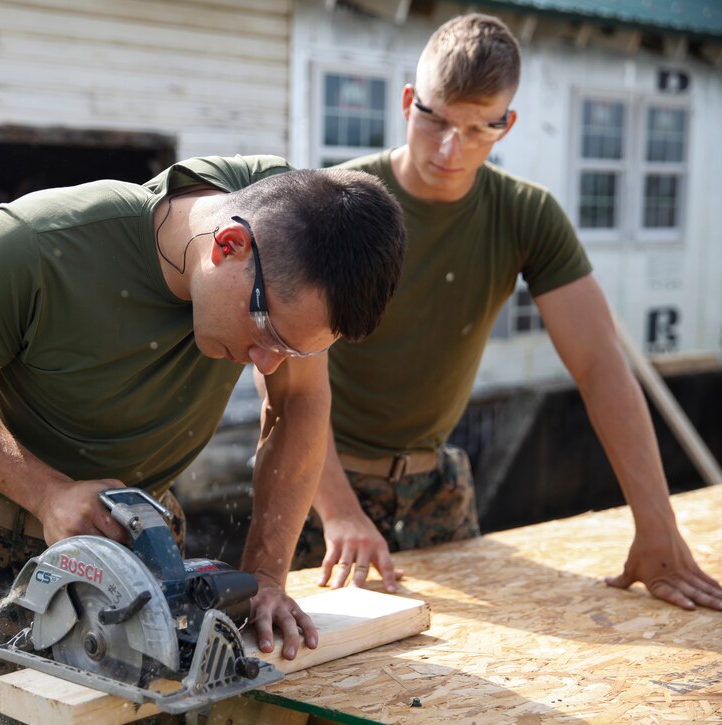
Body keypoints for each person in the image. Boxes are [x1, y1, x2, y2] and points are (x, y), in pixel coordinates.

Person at [0, 154, 407, 721]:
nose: (269, 364)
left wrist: (264, 576)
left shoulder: (296, 220)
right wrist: (47, 493)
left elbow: (299, 402)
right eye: (268, 333)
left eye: (296, 349)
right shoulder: (33, 245)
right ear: (228, 245)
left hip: (142, 548)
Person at [300, 13, 722, 613]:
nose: (451, 148)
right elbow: (282, 374)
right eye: (436, 119)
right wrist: (340, 509)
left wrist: (658, 527)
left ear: (508, 124)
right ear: (406, 102)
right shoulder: (339, 204)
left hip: (438, 488)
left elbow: (601, 365)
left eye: (478, 129)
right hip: (318, 483)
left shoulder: (526, 215)